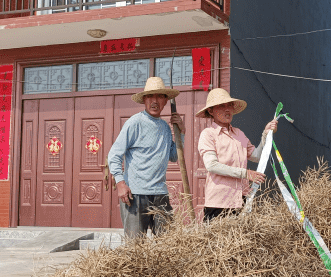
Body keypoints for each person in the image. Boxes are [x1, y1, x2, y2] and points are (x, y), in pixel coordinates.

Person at [108, 77, 185, 237]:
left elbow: (172, 156)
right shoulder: (134, 123)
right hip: (135, 195)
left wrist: (181, 133)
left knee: (168, 244)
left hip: (160, 194)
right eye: (150, 96)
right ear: (144, 100)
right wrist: (120, 183)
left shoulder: (164, 127)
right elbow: (114, 155)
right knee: (136, 247)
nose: (154, 101)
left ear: (165, 101)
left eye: (159, 96)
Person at [196, 88, 278, 222]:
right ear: (211, 111)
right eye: (222, 106)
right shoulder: (208, 134)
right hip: (219, 202)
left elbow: (256, 156)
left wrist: (266, 134)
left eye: (229, 105)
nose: (227, 109)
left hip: (241, 200)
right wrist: (245, 174)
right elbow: (211, 165)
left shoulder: (239, 134)